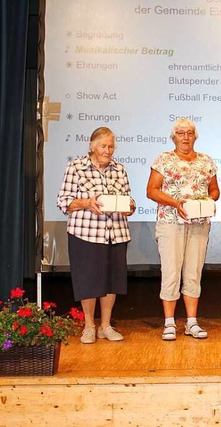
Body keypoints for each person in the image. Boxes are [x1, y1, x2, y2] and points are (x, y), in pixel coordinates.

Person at [56, 127, 135, 344]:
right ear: (92, 145)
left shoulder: (119, 169)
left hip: (116, 234)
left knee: (112, 281)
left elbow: (129, 200)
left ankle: (105, 326)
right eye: (103, 146)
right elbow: (64, 201)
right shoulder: (76, 168)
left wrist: (130, 207)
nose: (107, 150)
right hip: (85, 234)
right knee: (89, 281)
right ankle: (89, 326)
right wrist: (87, 203)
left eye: (111, 146)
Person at [146, 119, 220, 341]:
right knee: (170, 272)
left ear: (195, 136)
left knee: (193, 272)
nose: (185, 137)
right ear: (173, 137)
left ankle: (191, 322)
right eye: (180, 133)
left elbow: (214, 189)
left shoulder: (206, 161)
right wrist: (176, 203)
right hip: (171, 223)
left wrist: (207, 200)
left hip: (199, 224)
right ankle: (169, 323)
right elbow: (151, 190)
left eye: (189, 133)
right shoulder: (164, 160)